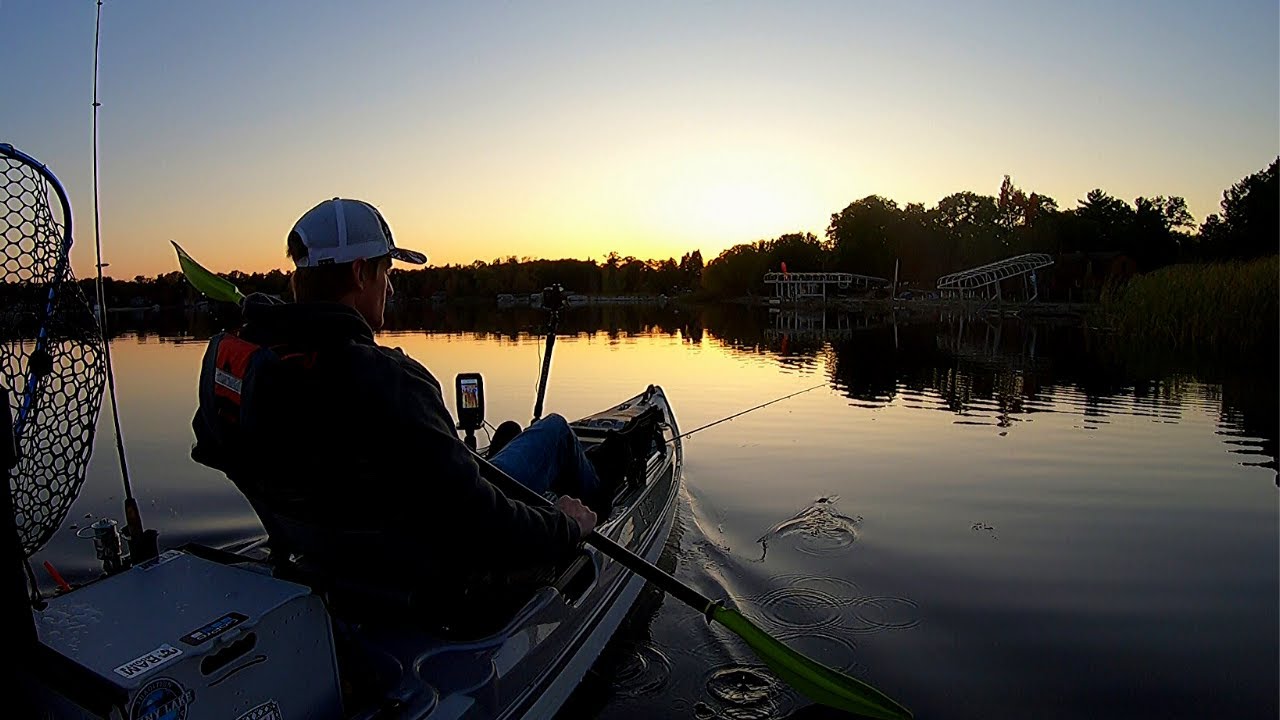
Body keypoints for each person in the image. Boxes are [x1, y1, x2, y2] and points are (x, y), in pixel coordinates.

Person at [190, 198, 622, 624]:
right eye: (387, 272)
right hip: (432, 576)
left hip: (324, 553)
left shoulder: (240, 368)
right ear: (361, 273)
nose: (391, 287)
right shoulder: (393, 382)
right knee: (555, 433)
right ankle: (607, 510)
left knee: (505, 460)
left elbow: (212, 447)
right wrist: (565, 527)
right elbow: (477, 523)